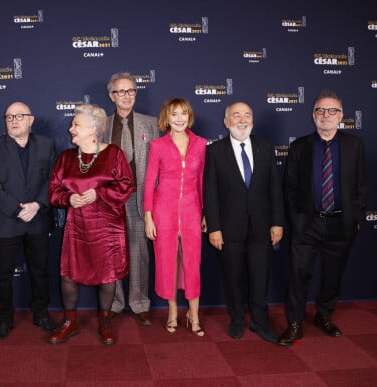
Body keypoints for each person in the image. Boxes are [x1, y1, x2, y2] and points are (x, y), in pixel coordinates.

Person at [278, 90, 367, 346]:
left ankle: (324, 316)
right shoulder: (299, 147)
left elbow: (362, 186)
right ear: (312, 114)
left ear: (341, 116)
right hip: (308, 224)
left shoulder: (354, 145)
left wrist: (356, 217)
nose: (325, 115)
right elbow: (289, 188)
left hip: (341, 224)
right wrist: (297, 221)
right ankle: (295, 323)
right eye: (320, 110)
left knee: (333, 275)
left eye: (331, 111)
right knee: (298, 275)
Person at [48, 104, 133, 345]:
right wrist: (68, 198)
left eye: (76, 125)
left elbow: (126, 186)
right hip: (77, 226)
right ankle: (70, 321)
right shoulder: (65, 158)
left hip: (108, 225)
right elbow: (54, 192)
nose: (70, 128)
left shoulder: (114, 154)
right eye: (73, 124)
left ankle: (105, 321)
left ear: (93, 130)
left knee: (108, 277)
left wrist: (99, 193)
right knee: (68, 276)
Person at [203, 102, 285, 343]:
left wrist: (277, 222)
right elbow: (211, 192)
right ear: (226, 122)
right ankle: (237, 319)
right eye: (236, 115)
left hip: (262, 227)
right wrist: (214, 227)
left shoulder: (265, 147)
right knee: (233, 277)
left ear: (253, 120)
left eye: (247, 115)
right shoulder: (215, 151)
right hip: (228, 229)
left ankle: (260, 323)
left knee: (260, 277)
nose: (242, 120)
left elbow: (275, 189)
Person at [0, 102, 58, 341]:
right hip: (5, 221)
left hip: (38, 218)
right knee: (3, 275)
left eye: (19, 116)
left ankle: (41, 314)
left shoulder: (46, 145)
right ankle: (5, 320)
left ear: (31, 119)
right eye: (9, 117)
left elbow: (53, 180)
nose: (14, 120)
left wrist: (37, 205)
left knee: (40, 271)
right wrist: (17, 210)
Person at [144, 98, 207, 336]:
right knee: (168, 262)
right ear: (166, 118)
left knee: (192, 263)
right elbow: (150, 182)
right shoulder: (157, 145)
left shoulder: (200, 144)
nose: (179, 118)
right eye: (174, 114)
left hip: (192, 210)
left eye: (183, 113)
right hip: (163, 212)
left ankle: (194, 314)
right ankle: (172, 312)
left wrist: (205, 213)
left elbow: (202, 181)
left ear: (189, 116)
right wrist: (149, 217)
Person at [104, 72, 159, 326]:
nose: (126, 96)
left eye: (131, 91)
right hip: (110, 201)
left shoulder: (152, 123)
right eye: (121, 91)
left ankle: (139, 303)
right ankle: (114, 303)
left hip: (140, 198)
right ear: (111, 96)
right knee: (112, 252)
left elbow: (160, 165)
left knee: (139, 252)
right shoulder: (101, 125)